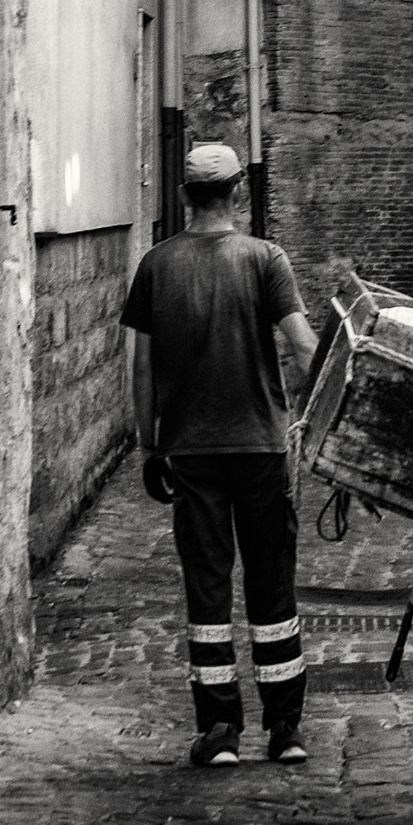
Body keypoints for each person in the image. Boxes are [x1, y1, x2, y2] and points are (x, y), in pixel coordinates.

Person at [121, 143, 319, 767]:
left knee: (207, 591)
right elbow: (304, 347)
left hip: (191, 453)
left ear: (185, 196)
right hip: (261, 447)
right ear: (237, 193)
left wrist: (150, 446)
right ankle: (284, 729)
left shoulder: (155, 266)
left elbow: (143, 367)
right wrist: (333, 411)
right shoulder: (266, 259)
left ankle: (220, 732)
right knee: (272, 584)